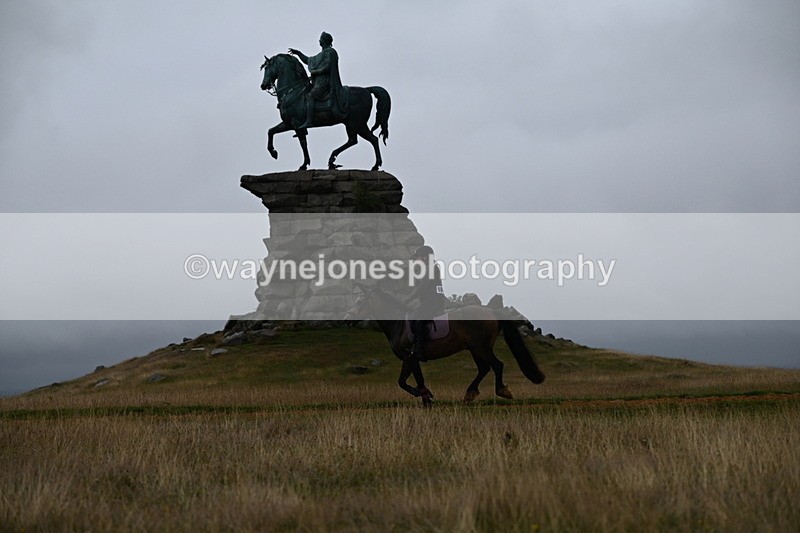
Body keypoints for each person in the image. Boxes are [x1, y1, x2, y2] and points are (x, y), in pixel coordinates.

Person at [288, 31, 347, 129]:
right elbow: (308, 60)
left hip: (325, 82)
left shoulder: (330, 52)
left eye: (320, 38)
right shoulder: (320, 55)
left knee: (311, 96)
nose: (319, 40)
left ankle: (309, 121)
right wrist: (298, 53)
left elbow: (327, 67)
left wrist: (315, 72)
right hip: (318, 83)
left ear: (324, 40)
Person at [405, 245, 447, 362]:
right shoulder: (429, 268)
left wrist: (410, 298)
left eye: (417, 257)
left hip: (433, 301)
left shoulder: (430, 268)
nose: (416, 260)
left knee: (418, 319)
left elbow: (422, 287)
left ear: (424, 257)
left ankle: (420, 350)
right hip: (431, 300)